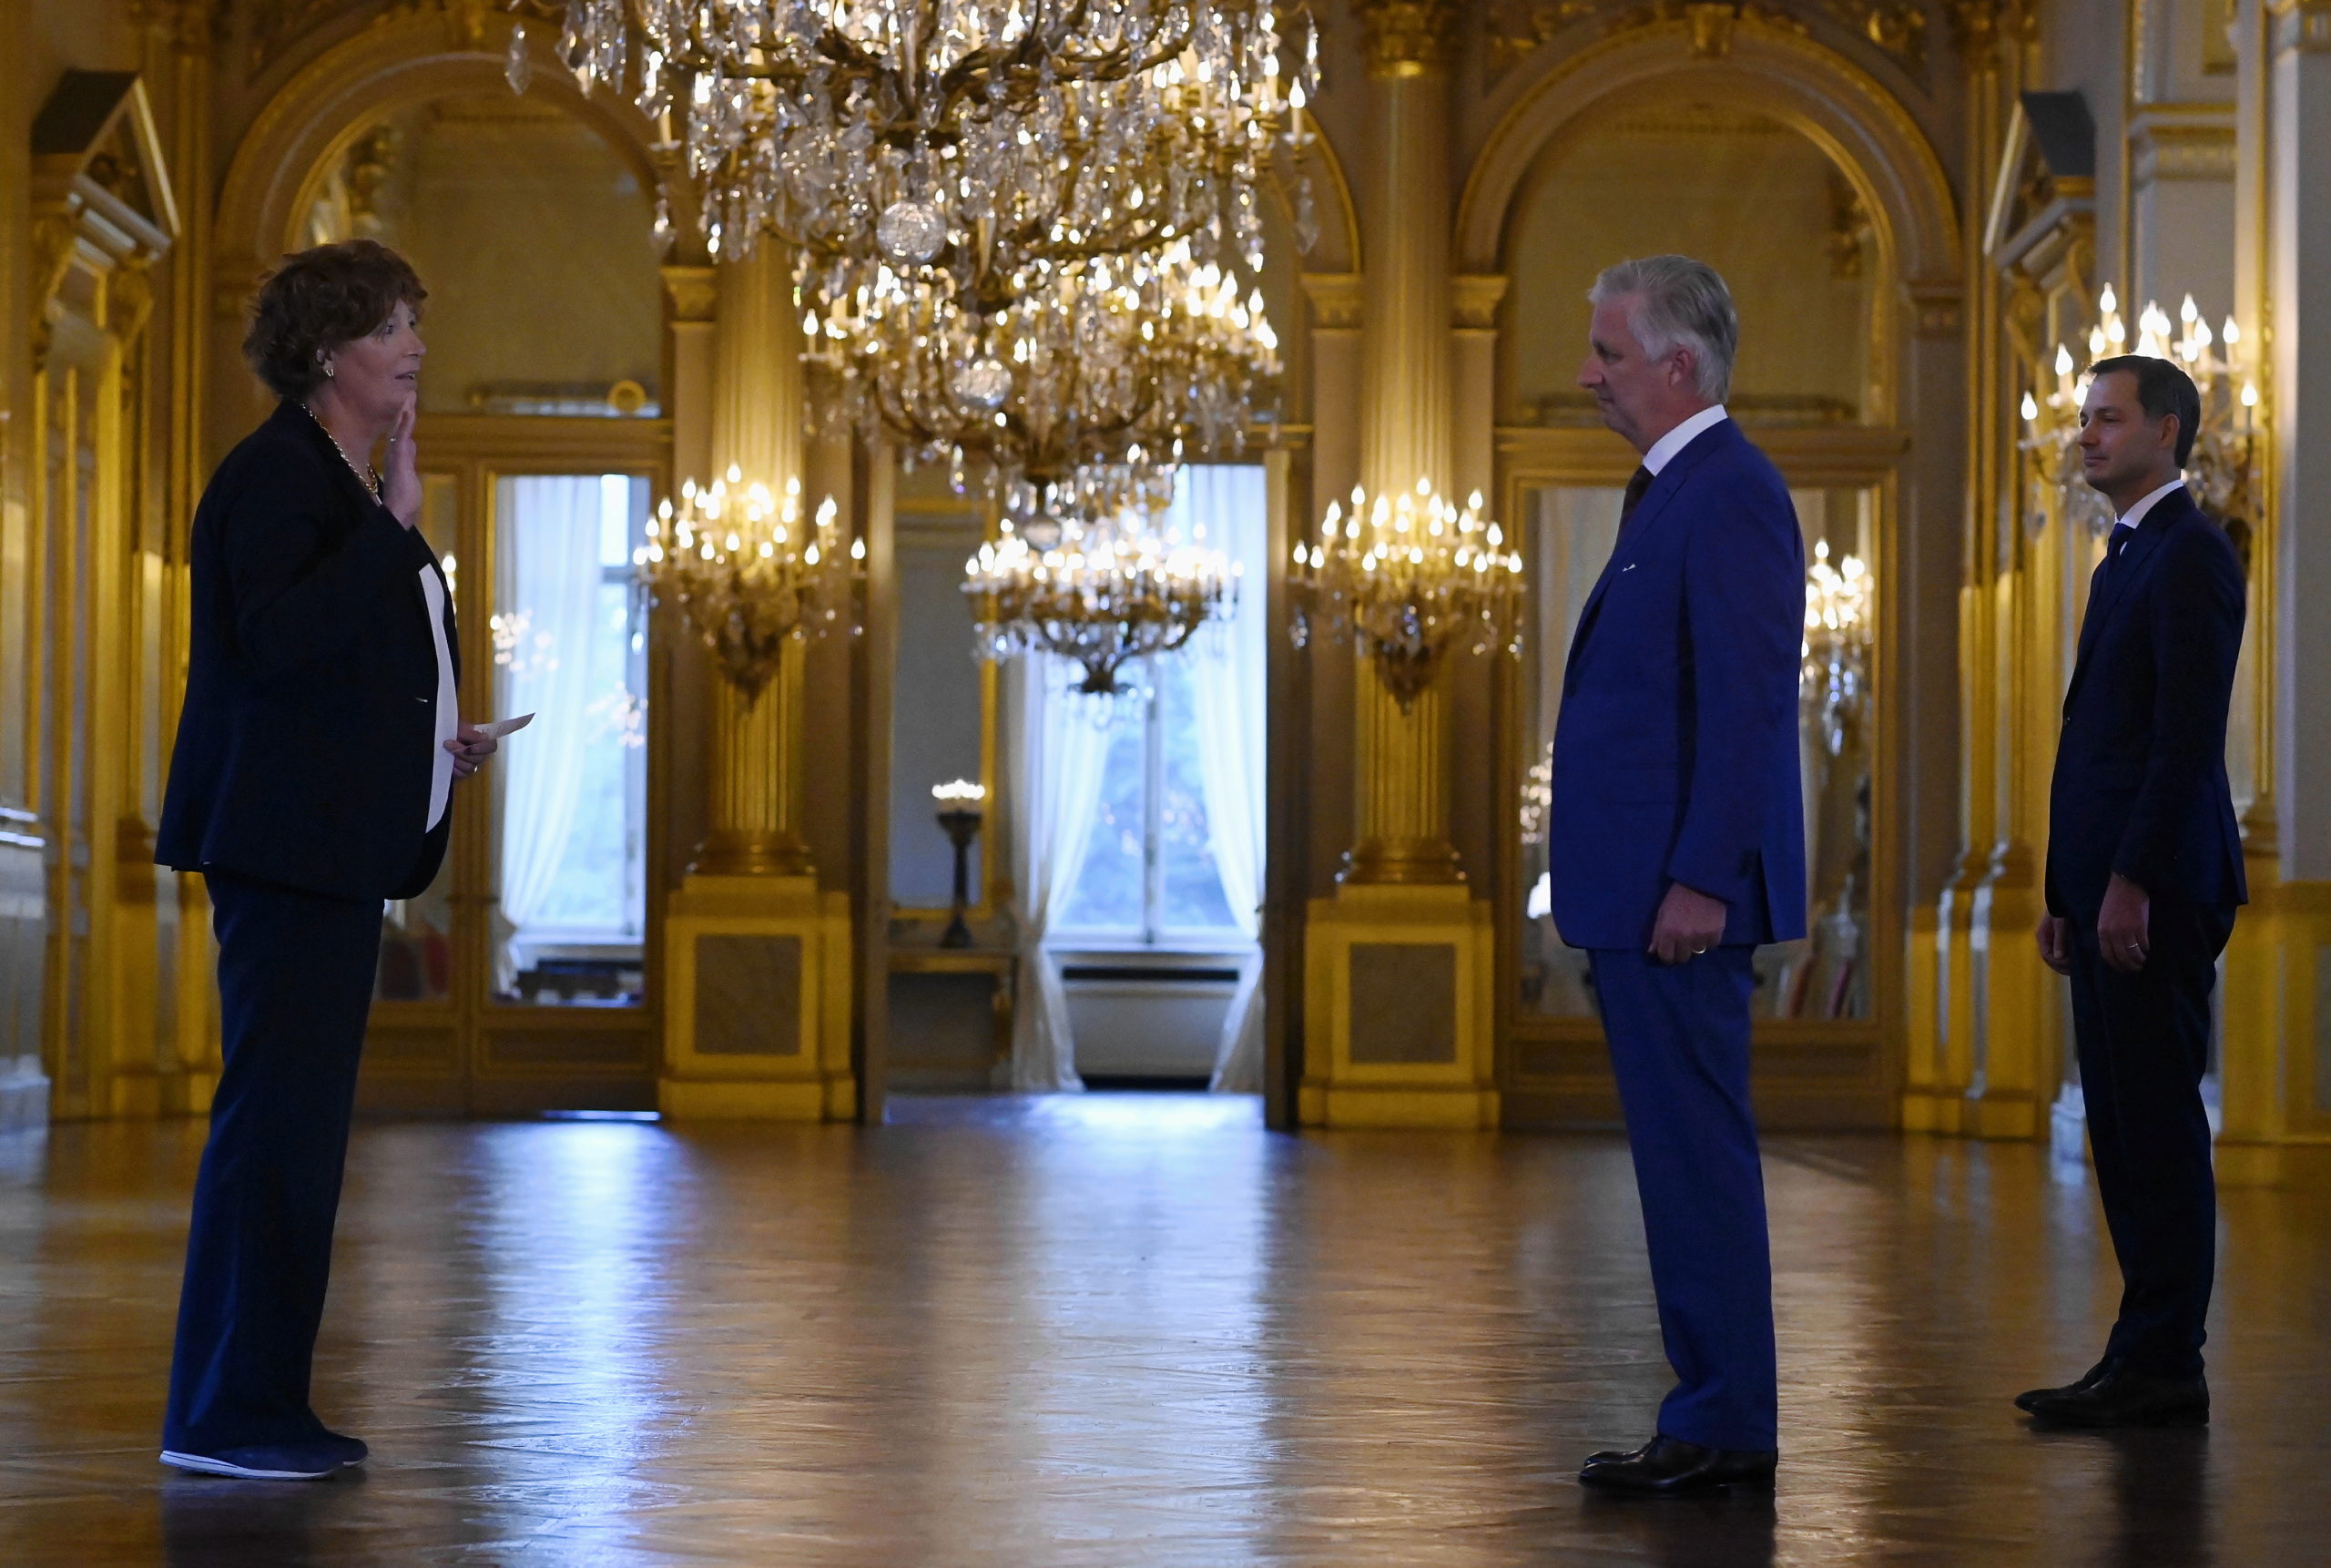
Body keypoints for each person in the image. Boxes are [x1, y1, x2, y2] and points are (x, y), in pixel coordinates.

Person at [153, 239, 500, 1481]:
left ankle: (248, 1403)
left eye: (413, 318)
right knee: (277, 1135)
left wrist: (425, 742)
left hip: (322, 845)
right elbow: (279, 639)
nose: (415, 343)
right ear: (324, 351)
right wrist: (396, 525)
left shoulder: (332, 483)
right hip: (286, 853)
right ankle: (226, 1413)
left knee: (297, 1136)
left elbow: (335, 664)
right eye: (393, 323)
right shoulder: (277, 478)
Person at [1547, 255, 1807, 1495]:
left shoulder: (1729, 492)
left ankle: (1724, 1419)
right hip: (1641, 894)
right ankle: (1712, 1410)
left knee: (1696, 1160)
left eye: (1606, 352)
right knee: (1677, 1161)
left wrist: (1703, 875)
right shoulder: (1670, 492)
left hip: (1677, 902)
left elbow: (1750, 702)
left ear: (1678, 366)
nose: (1587, 373)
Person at [2022, 354, 2244, 1428]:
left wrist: (2128, 883)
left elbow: (2181, 740)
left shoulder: (2192, 556)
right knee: (2119, 1122)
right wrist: (2069, 890)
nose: (2085, 436)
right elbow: (2096, 747)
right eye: (2083, 420)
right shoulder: (2124, 558)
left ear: (2166, 430)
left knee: (2154, 1126)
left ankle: (2167, 1361)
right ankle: (2142, 1348)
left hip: (2153, 891)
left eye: (2107, 420)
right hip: (2108, 893)